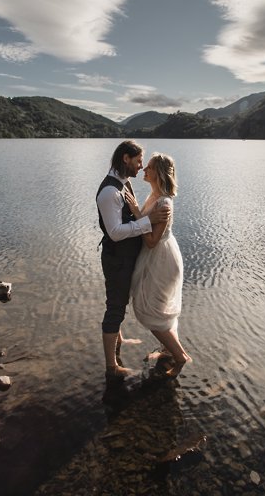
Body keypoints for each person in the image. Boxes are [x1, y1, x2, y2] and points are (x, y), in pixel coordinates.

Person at [97, 140, 169, 379]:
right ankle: (112, 367)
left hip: (125, 258)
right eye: (138, 161)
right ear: (125, 158)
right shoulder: (109, 192)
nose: (140, 167)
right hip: (117, 259)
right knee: (115, 308)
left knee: (120, 303)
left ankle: (120, 338)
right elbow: (115, 233)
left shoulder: (123, 183)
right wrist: (148, 221)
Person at [124, 152, 191, 378]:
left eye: (149, 167)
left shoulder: (163, 202)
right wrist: (139, 217)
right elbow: (147, 228)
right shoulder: (154, 194)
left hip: (161, 259)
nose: (144, 170)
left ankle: (180, 357)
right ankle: (167, 349)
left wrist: (136, 215)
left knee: (150, 309)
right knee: (158, 307)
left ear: (159, 173)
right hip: (154, 258)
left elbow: (152, 242)